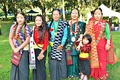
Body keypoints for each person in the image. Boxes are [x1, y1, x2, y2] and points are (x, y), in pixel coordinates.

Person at [85, 8, 111, 80]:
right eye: (96, 14)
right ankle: (94, 74)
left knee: (102, 59)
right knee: (93, 58)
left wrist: (108, 43)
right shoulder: (90, 23)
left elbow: (108, 34)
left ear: (101, 15)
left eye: (99, 14)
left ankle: (102, 74)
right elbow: (87, 34)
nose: (97, 15)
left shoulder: (104, 23)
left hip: (102, 44)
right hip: (92, 45)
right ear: (93, 14)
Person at [9, 12, 30, 80]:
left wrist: (19, 48)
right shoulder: (13, 27)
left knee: (23, 68)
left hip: (24, 50)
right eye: (18, 17)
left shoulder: (26, 28)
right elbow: (10, 38)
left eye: (21, 17)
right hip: (15, 50)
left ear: (24, 18)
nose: (19, 19)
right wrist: (13, 48)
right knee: (15, 66)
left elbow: (27, 40)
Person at [65, 9, 86, 78]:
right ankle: (70, 73)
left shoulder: (81, 24)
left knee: (75, 59)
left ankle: (76, 73)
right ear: (70, 14)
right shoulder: (67, 23)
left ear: (78, 14)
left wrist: (79, 43)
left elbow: (81, 35)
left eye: (76, 13)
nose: (74, 15)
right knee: (69, 58)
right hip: (68, 44)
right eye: (73, 13)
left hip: (76, 44)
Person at [48, 9, 68, 80]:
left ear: (60, 15)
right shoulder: (49, 24)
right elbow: (46, 34)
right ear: (52, 15)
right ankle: (53, 75)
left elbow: (65, 35)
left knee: (61, 62)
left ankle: (62, 76)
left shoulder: (64, 24)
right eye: (54, 14)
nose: (56, 16)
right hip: (52, 46)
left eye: (57, 14)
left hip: (60, 45)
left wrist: (62, 44)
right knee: (53, 62)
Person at [32, 15, 49, 80]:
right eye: (36, 20)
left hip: (41, 50)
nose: (38, 22)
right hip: (33, 50)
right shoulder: (33, 29)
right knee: (35, 66)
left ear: (42, 21)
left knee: (41, 67)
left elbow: (46, 42)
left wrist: (41, 53)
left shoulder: (45, 30)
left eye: (40, 20)